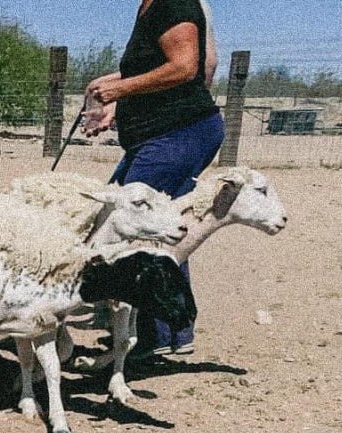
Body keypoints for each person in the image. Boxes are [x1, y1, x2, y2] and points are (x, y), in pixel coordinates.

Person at [82, 0, 223, 359]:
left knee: (129, 221)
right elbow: (154, 68)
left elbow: (185, 67)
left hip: (179, 133)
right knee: (159, 225)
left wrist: (122, 90)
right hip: (160, 135)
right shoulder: (150, 7)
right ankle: (172, 330)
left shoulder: (173, 5)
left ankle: (149, 334)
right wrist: (114, 101)